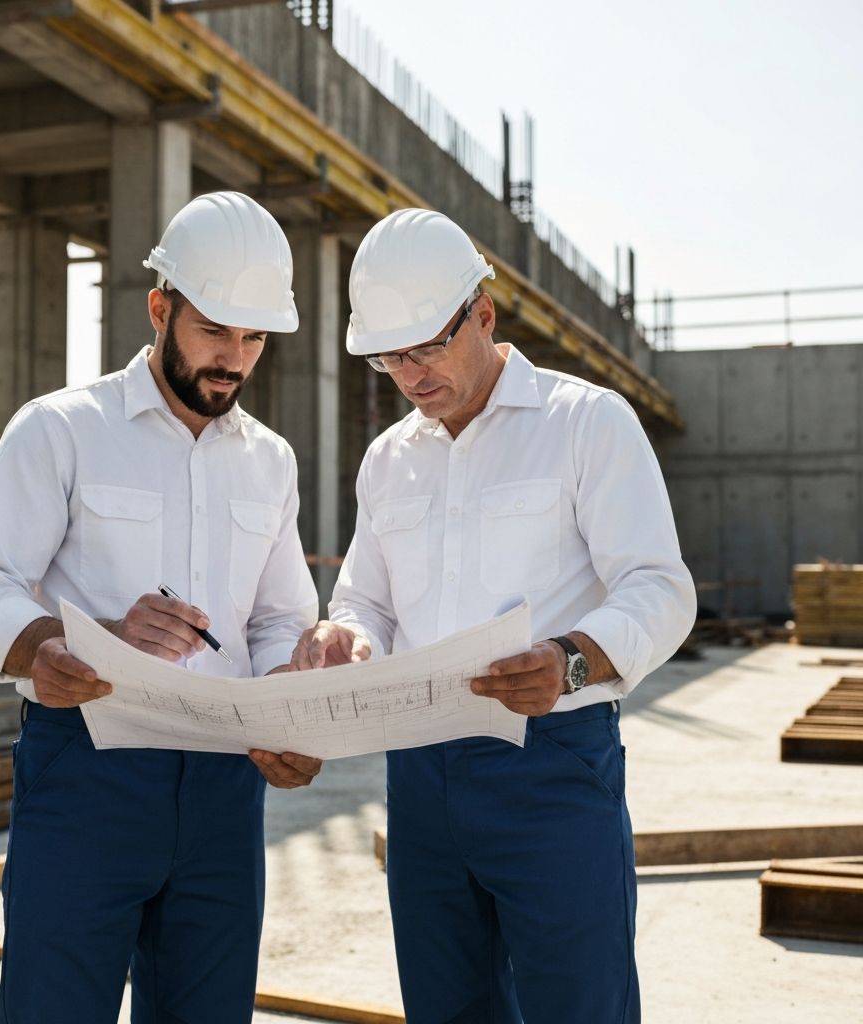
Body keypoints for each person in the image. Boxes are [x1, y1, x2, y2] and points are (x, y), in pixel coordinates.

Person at [291, 208, 697, 1023]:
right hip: (420, 776)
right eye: (388, 357)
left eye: (426, 347)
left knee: (578, 1004)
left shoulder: (587, 424)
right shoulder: (388, 459)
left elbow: (661, 588)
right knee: (446, 1007)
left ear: (483, 313)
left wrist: (571, 660)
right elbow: (366, 597)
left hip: (551, 767)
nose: (409, 374)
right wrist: (350, 636)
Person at [0, 191, 323, 1024]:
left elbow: (276, 620)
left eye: (253, 337)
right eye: (214, 331)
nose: (233, 358)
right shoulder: (61, 430)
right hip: (87, 774)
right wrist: (60, 642)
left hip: (225, 789)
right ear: (160, 308)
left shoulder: (271, 462)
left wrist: (290, 709)